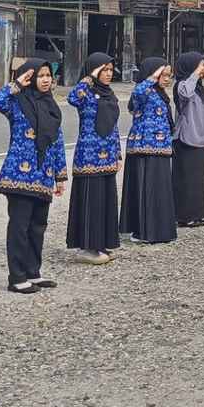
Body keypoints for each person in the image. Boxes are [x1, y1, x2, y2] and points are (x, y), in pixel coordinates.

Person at [0, 59, 67, 293]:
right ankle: (17, 277)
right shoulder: (17, 102)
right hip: (19, 176)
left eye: (48, 75)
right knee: (19, 227)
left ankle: (33, 272)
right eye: (40, 75)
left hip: (44, 175)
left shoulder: (51, 106)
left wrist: (60, 176)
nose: (45, 80)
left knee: (38, 226)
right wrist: (17, 84)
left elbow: (57, 142)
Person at [66, 52, 122, 264]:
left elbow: (114, 126)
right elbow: (72, 98)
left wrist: (117, 152)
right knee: (91, 201)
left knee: (106, 201)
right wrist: (89, 77)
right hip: (89, 157)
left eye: (110, 70)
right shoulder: (86, 92)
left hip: (108, 155)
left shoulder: (109, 93)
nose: (107, 74)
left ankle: (102, 244)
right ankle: (87, 248)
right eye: (103, 70)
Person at [122, 57, 176, 243]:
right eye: (164, 74)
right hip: (144, 148)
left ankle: (160, 230)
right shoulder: (144, 91)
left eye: (169, 75)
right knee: (148, 190)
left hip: (161, 147)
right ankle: (144, 231)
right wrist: (152, 77)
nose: (167, 79)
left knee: (160, 191)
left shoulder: (160, 93)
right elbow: (137, 93)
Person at [171, 51, 204, 229]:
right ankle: (183, 216)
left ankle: (197, 214)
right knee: (185, 180)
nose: (202, 68)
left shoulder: (200, 88)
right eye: (199, 65)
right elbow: (185, 94)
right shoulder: (181, 85)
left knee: (199, 179)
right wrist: (195, 74)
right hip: (186, 138)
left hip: (200, 138)